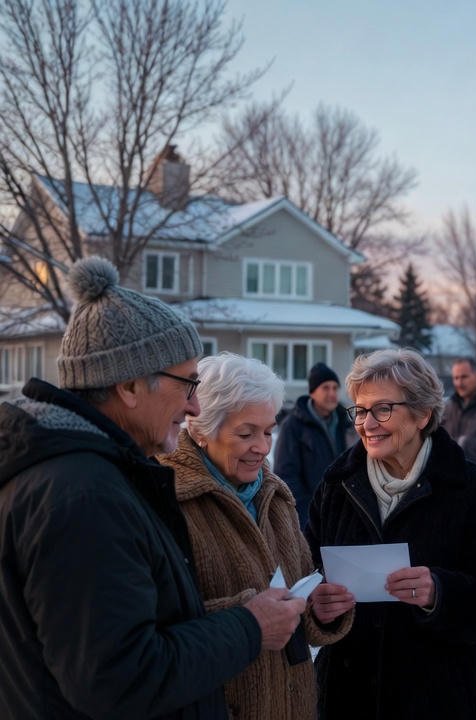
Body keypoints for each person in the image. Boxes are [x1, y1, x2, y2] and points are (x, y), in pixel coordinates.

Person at [0, 257, 306, 719]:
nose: (193, 405)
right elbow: (119, 676)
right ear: (128, 386)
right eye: (187, 384)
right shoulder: (83, 495)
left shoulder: (93, 476)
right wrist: (249, 625)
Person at [306, 348, 476, 719]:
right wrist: (318, 607)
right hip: (347, 696)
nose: (367, 424)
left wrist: (440, 591)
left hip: (440, 699)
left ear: (422, 414)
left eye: (382, 409)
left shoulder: (471, 490)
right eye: (360, 410)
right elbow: (305, 574)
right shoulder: (336, 486)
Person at [158, 352, 355, 719]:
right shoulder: (166, 498)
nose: (264, 448)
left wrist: (319, 610)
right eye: (246, 433)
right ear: (201, 429)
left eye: (268, 431)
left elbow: (300, 592)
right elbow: (156, 632)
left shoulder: (276, 494)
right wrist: (250, 619)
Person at [275, 361, 355, 528]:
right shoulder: (293, 426)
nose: (332, 393)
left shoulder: (346, 423)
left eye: (335, 388)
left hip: (344, 517)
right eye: (325, 388)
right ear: (312, 392)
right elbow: (287, 477)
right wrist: (310, 517)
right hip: (311, 518)